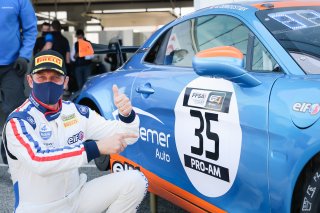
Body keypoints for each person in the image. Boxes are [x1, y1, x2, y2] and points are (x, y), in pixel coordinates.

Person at [2, 50, 148, 212]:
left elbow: (128, 136)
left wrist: (126, 115)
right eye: (41, 77)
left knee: (135, 181)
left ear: (65, 81)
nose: (48, 83)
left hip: (76, 199)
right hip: (39, 208)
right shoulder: (19, 120)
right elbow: (39, 162)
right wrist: (95, 148)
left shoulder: (77, 113)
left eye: (55, 78)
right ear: (30, 80)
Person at [0, 0, 38, 164]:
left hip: (12, 66)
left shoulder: (19, 1)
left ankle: (11, 159)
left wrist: (24, 56)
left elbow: (30, 29)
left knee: (11, 111)